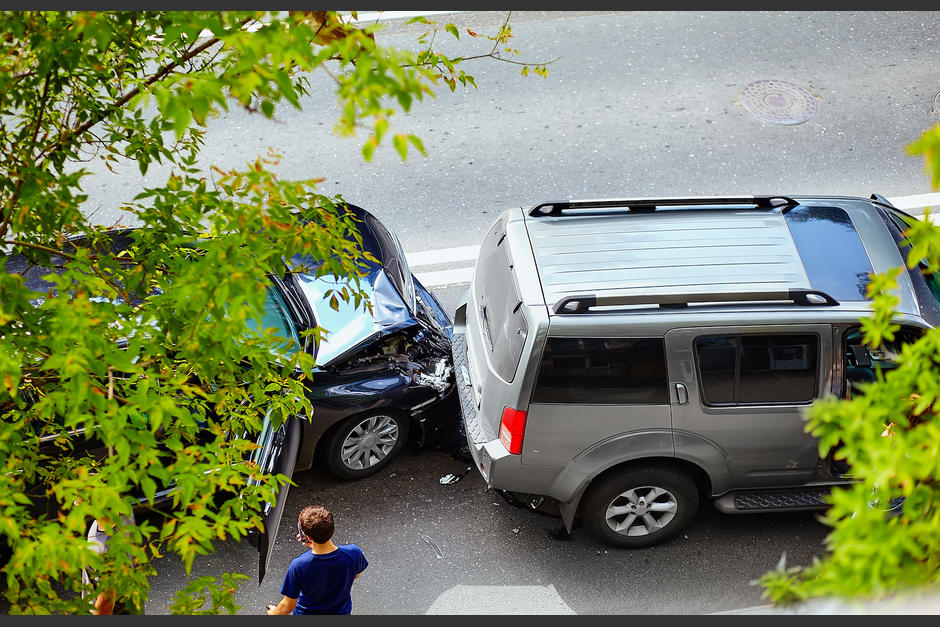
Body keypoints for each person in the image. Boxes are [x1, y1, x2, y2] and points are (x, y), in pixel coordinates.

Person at [266, 505, 368, 615]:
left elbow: (287, 606)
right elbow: (356, 574)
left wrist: (273, 612)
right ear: (332, 528)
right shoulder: (353, 553)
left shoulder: (299, 565)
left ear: (308, 537)